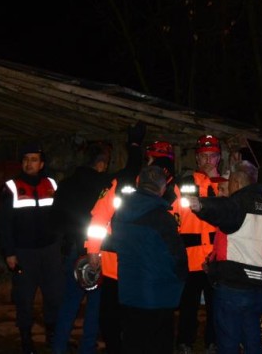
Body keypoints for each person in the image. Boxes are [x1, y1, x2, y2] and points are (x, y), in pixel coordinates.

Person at [50, 124, 144, 354]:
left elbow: (54, 220)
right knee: (95, 306)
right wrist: (134, 144)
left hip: (72, 250)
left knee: (69, 304)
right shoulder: (104, 183)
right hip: (95, 253)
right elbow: (131, 172)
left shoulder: (65, 185)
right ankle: (87, 348)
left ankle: (58, 348)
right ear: (102, 163)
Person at [86, 140, 179, 354]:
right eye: (154, 159)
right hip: (114, 268)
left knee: (146, 326)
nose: (157, 164)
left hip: (145, 272)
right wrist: (92, 251)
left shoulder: (174, 190)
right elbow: (98, 218)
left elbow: (177, 230)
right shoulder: (122, 183)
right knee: (111, 320)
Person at [185, 160, 262, 354]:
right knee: (252, 339)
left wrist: (199, 204)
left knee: (228, 343)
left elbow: (222, 209)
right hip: (257, 290)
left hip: (233, 290)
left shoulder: (238, 203)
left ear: (236, 182)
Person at [111, 165, 188, 354]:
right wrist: (181, 279)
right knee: (158, 345)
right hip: (159, 295)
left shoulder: (120, 213)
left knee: (132, 343)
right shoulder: (163, 218)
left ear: (138, 182)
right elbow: (177, 256)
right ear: (162, 188)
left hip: (129, 292)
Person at [0, 143, 63, 354]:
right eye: (26, 159)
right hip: (24, 252)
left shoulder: (52, 184)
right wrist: (9, 252)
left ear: (42, 163)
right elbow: (4, 223)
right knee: (24, 297)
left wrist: (61, 242)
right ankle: (26, 339)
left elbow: (61, 215)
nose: (29, 163)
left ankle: (51, 336)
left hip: (50, 251)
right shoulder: (11, 187)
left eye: (34, 159)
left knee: (53, 296)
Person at [175, 134, 223, 354]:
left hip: (216, 258)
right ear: (196, 159)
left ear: (219, 158)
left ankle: (212, 343)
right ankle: (185, 342)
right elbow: (174, 216)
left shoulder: (226, 185)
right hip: (190, 258)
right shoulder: (183, 184)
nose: (207, 161)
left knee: (216, 305)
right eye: (203, 157)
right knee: (188, 306)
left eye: (212, 156)